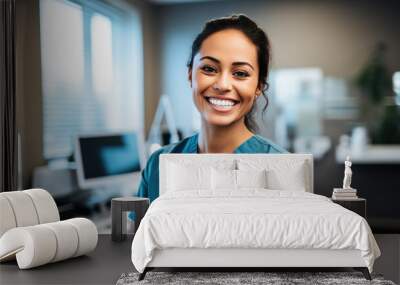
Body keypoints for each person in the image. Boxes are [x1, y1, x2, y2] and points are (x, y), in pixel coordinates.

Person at [137, 14, 287, 203]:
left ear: (258, 87)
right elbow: (138, 232)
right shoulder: (157, 165)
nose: (223, 85)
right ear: (190, 75)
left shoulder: (283, 167)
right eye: (209, 69)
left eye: (240, 73)